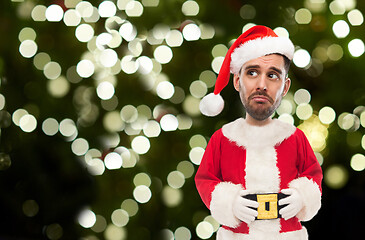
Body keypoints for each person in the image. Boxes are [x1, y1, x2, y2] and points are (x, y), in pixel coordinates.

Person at [195, 25, 323, 240]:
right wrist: (230, 202)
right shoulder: (222, 139)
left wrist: (303, 197)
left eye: (273, 75)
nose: (262, 85)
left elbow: (313, 176)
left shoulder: (295, 138)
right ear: (237, 81)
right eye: (252, 72)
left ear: (285, 87)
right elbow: (205, 180)